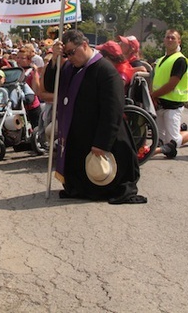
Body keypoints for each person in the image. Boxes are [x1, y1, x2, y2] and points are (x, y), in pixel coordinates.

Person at [43, 29, 146, 204]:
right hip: (78, 133)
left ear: (84, 45)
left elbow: (113, 109)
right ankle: (80, 188)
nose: (70, 57)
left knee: (104, 175)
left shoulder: (105, 70)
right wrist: (55, 59)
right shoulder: (70, 67)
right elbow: (51, 85)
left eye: (71, 52)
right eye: (66, 54)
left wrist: (102, 143)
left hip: (101, 134)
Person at [150, 29, 188, 159]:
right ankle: (171, 147)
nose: (170, 40)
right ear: (164, 40)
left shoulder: (180, 60)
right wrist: (152, 95)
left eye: (173, 38)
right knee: (161, 139)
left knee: (174, 141)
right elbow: (154, 80)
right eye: (167, 37)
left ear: (179, 41)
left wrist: (153, 95)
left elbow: (173, 84)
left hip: (173, 105)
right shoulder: (160, 60)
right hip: (160, 103)